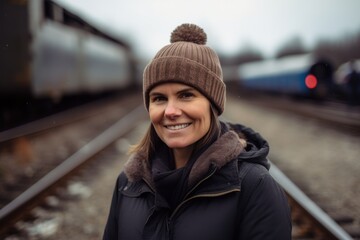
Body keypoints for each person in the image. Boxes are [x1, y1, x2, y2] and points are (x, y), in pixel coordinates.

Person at [103, 23, 292, 240]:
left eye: (186, 95)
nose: (171, 111)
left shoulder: (255, 187)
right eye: (159, 98)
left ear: (212, 105)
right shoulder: (128, 183)